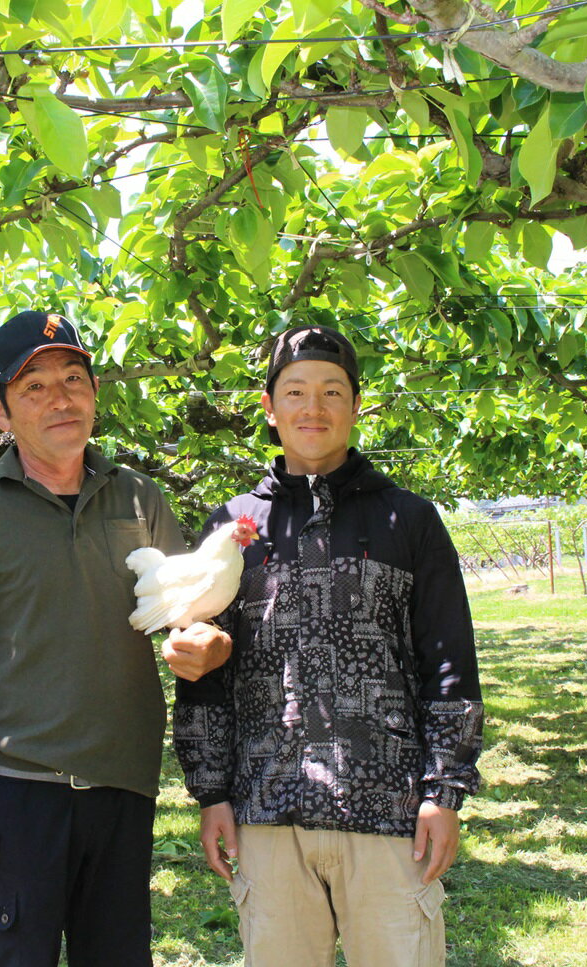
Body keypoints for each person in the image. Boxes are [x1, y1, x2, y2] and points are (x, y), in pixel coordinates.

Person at [0, 309, 230, 967]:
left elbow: (188, 612)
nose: (61, 398)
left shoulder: (139, 498)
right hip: (17, 791)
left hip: (123, 787)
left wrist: (209, 644)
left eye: (73, 377)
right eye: (34, 386)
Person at [172, 324, 484, 967]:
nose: (313, 408)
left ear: (357, 405)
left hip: (391, 811)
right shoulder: (235, 530)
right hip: (266, 809)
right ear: (269, 407)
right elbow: (203, 673)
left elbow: (448, 663)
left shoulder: (410, 521)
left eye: (332, 392)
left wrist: (442, 792)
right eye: (295, 392)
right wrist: (212, 793)